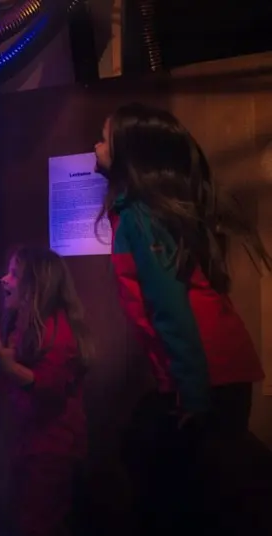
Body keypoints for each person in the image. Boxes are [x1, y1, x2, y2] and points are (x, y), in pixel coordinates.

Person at [94, 103, 271, 536]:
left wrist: (191, 392)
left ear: (129, 153)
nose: (95, 146)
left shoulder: (140, 217)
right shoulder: (138, 212)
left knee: (188, 491)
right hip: (210, 373)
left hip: (210, 374)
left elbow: (169, 308)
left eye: (103, 138)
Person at [0, 246, 92, 536]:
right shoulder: (25, 328)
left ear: (35, 287)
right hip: (30, 442)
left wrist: (4, 363)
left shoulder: (58, 332)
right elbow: (18, 380)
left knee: (40, 522)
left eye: (14, 274)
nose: (4, 279)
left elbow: (48, 388)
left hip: (54, 447)